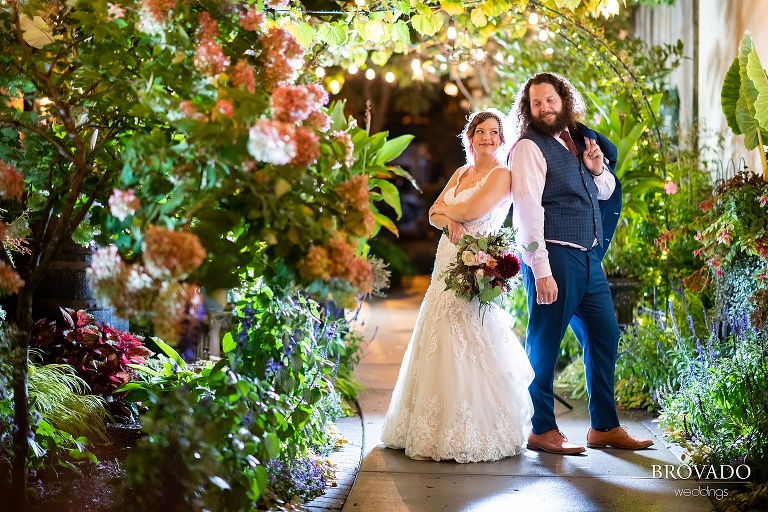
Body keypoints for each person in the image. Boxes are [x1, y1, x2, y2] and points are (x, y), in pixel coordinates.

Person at [508, 72, 653, 454]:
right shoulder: (527, 148)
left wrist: (596, 169)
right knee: (544, 342)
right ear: (528, 108)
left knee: (606, 335)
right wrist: (540, 269)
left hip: (588, 259)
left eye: (550, 100)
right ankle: (541, 428)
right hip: (554, 256)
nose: (544, 108)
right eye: (536, 102)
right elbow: (526, 211)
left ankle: (604, 426)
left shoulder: (576, 142)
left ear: (564, 100)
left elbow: (603, 192)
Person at [380, 108, 534, 463]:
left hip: (475, 262)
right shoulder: (462, 172)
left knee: (470, 335)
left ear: (501, 139)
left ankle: (473, 429)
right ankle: (427, 427)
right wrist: (446, 214)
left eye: (494, 132)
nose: (487, 138)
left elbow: (469, 211)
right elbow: (434, 211)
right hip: (446, 262)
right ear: (470, 137)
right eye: (480, 131)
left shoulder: (501, 175)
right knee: (437, 334)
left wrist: (447, 214)